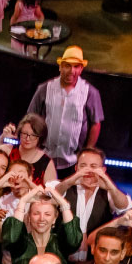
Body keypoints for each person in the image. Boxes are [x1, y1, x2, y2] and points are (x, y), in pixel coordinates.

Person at [26, 46, 104, 176]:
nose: (71, 71)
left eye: (76, 66)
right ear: (60, 67)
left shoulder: (91, 92)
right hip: (44, 155)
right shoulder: (44, 88)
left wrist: (87, 152)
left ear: (81, 69)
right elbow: (31, 118)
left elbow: (96, 124)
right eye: (67, 66)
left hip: (73, 161)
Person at [54, 148, 132, 259]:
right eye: (83, 166)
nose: (88, 171)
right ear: (76, 168)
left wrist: (110, 187)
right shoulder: (64, 186)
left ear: (103, 170)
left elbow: (124, 206)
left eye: (93, 166)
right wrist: (71, 181)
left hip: (94, 259)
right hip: (60, 257)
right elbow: (52, 194)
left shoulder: (108, 192)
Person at [1, 183, 81, 264]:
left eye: (47, 214)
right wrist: (22, 202)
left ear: (54, 218)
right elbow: (11, 238)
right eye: (36, 214)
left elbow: (73, 240)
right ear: (29, 217)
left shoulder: (60, 243)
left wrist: (63, 203)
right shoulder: (21, 243)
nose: (41, 218)